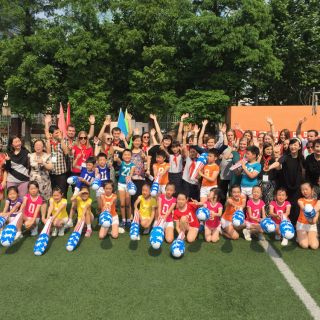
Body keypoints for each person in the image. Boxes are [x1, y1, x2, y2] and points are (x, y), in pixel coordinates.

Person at [278, 138, 305, 225]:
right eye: (291, 145)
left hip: (297, 188)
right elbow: (278, 163)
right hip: (286, 188)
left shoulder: (301, 158)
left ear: (299, 147)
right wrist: (270, 167)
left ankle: (295, 227)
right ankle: (285, 226)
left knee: (296, 209)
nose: (293, 147)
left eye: (295, 145)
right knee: (286, 208)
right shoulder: (285, 157)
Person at [114, 149, 135, 231]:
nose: (127, 156)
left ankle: (129, 220)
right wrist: (117, 158)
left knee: (128, 204)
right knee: (122, 204)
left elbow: (131, 173)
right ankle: (123, 220)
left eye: (128, 154)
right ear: (122, 156)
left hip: (128, 185)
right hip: (121, 184)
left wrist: (129, 177)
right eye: (125, 155)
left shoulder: (132, 165)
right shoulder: (121, 163)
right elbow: (118, 161)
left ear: (131, 156)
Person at [45, 125, 68, 196]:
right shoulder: (48, 142)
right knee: (53, 193)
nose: (58, 134)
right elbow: (48, 154)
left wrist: (61, 140)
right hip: (52, 173)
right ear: (51, 134)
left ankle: (63, 206)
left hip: (61, 173)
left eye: (59, 132)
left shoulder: (63, 141)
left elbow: (66, 152)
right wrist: (49, 140)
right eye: (56, 133)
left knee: (62, 193)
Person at [297, 182, 320, 250]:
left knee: (314, 246)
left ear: (312, 190)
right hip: (301, 225)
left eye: (306, 189)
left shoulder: (317, 202)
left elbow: (315, 218)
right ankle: (298, 238)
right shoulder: (300, 200)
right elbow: (303, 208)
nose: (304, 191)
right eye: (302, 190)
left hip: (312, 226)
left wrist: (312, 221)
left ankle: (309, 236)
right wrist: (308, 211)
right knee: (305, 245)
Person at [130, 135, 147, 208]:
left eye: (139, 141)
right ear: (133, 142)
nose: (137, 142)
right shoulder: (130, 152)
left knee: (140, 195)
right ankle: (132, 214)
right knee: (132, 196)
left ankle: (139, 212)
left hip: (141, 177)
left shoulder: (143, 151)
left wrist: (144, 158)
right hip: (132, 177)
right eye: (135, 140)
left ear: (141, 142)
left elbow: (146, 162)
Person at [0, 137, 7, 202]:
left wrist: (4, 181)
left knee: (0, 198)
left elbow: (5, 170)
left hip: (1, 181)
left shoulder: (3, 156)